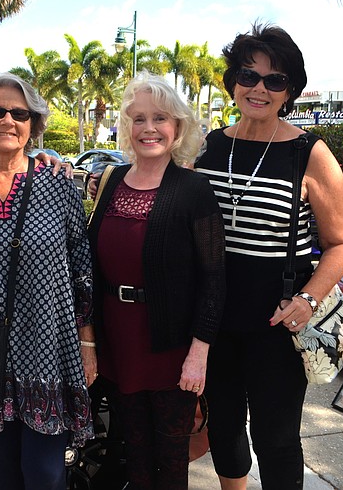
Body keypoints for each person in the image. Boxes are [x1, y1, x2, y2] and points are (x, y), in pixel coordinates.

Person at [194, 24, 343, 489]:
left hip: (279, 320)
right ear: (233, 81)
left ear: (290, 91)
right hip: (213, 318)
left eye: (275, 80)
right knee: (222, 426)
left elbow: (341, 244)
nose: (259, 88)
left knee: (276, 436)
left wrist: (307, 299)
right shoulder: (207, 146)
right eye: (249, 75)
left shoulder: (309, 153)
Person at [0, 73, 95, 490]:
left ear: (33, 125)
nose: (8, 120)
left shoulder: (58, 185)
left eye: (20, 113)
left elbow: (82, 270)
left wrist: (88, 345)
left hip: (47, 350)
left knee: (46, 474)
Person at [87, 73, 226, 489]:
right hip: (120, 340)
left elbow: (214, 279)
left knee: (171, 456)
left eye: (160, 118)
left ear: (178, 127)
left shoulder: (193, 189)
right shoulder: (110, 181)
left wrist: (198, 353)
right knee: (133, 449)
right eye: (139, 118)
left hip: (171, 345)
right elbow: (91, 265)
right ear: (126, 127)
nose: (149, 128)